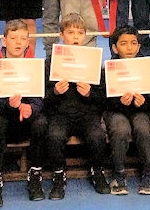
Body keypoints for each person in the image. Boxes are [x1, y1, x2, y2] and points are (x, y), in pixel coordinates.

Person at [43, 13, 110, 199]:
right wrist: (55, 92)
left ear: (85, 36)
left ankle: (97, 171)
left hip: (87, 114)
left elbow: (103, 98)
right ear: (62, 35)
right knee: (54, 136)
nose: (75, 36)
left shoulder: (94, 62)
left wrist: (89, 94)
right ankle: (59, 174)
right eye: (70, 32)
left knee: (97, 136)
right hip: (60, 114)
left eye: (80, 33)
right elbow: (43, 98)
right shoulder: (51, 62)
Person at [0, 19, 47, 207]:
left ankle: (35, 174)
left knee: (41, 122)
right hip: (4, 114)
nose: (18, 42)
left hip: (27, 117)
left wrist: (31, 108)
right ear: (4, 41)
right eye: (13, 38)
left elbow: (39, 99)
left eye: (22, 38)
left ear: (28, 42)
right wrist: (12, 106)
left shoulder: (36, 65)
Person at [103, 26, 150, 195]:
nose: (129, 47)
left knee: (143, 127)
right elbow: (103, 101)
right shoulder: (108, 69)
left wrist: (143, 102)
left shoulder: (147, 68)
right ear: (114, 47)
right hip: (116, 111)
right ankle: (118, 173)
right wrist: (120, 102)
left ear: (139, 46)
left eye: (134, 43)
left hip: (139, 111)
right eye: (124, 43)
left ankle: (149, 173)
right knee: (120, 129)